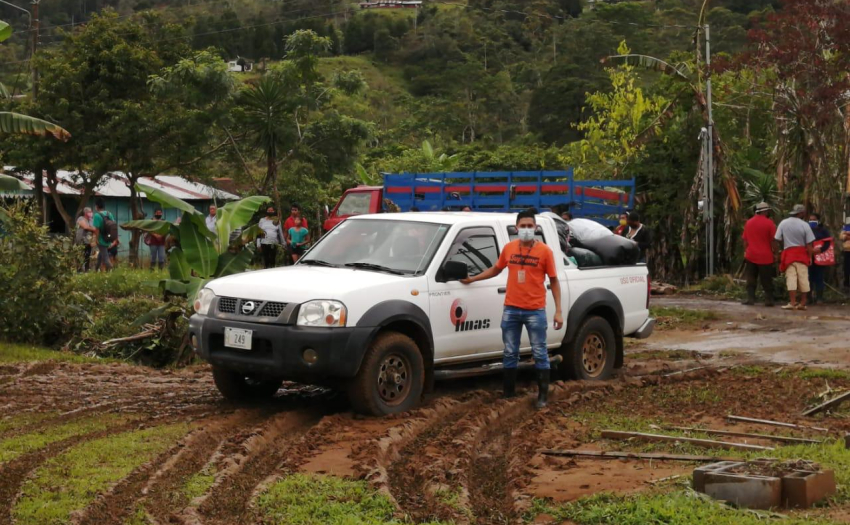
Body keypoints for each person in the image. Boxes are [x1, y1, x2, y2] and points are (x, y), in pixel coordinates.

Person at [460, 209, 563, 409]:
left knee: (540, 352)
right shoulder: (509, 248)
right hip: (511, 309)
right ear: (516, 228)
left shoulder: (545, 252)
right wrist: (472, 279)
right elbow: (496, 269)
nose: (526, 229)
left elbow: (554, 281)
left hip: (535, 310)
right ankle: (508, 393)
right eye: (522, 226)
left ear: (536, 228)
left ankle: (542, 395)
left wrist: (558, 311)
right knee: (509, 352)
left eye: (530, 226)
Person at [774, 204, 815, 310]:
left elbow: (777, 238)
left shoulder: (783, 223)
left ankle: (792, 303)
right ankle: (803, 303)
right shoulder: (805, 225)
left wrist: (781, 249)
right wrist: (810, 257)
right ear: (801, 213)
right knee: (803, 278)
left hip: (789, 254)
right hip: (802, 254)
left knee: (791, 278)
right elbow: (809, 243)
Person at [741, 202, 776, 306]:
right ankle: (768, 300)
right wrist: (776, 253)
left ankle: (751, 298)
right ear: (765, 211)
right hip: (765, 257)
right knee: (766, 280)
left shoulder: (749, 222)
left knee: (751, 278)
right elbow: (773, 241)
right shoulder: (770, 223)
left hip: (751, 255)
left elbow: (745, 241)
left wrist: (746, 251)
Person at [807, 213, 832, 305]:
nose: (812, 221)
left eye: (814, 220)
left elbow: (828, 243)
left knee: (819, 278)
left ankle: (819, 298)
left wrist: (820, 250)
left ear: (818, 220)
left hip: (820, 258)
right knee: (808, 278)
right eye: (810, 220)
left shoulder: (823, 231)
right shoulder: (806, 229)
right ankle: (809, 298)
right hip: (808, 257)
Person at [92, 199, 117, 272]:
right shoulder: (109, 213)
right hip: (109, 237)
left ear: (96, 206)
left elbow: (97, 229)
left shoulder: (97, 215)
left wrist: (96, 239)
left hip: (101, 239)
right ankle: (96, 270)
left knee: (105, 258)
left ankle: (114, 273)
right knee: (101, 254)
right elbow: (113, 225)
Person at [74, 207, 96, 272]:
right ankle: (79, 270)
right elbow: (85, 227)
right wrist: (93, 228)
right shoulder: (81, 218)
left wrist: (93, 240)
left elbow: (94, 228)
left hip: (88, 241)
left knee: (87, 256)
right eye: (90, 212)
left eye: (91, 212)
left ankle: (86, 270)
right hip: (81, 240)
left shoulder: (91, 220)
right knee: (80, 256)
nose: (91, 213)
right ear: (86, 213)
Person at [841, 217, 850, 292]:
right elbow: (842, 236)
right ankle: (846, 284)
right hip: (847, 250)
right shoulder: (845, 228)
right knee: (846, 268)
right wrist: (846, 236)